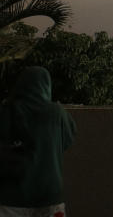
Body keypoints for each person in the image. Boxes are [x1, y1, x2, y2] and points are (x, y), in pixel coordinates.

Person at [0, 66, 77, 217]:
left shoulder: (6, 111)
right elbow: (67, 139)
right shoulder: (57, 112)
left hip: (10, 197)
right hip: (50, 195)